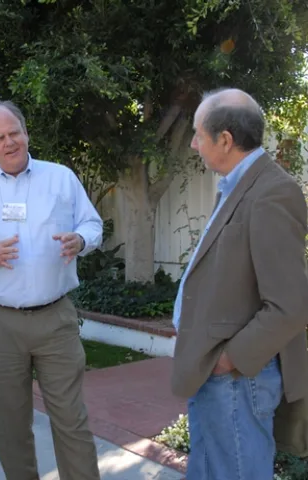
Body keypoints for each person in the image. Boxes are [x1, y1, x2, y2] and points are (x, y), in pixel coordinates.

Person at [0, 100, 102, 480]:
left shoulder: (61, 178)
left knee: (71, 421)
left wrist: (82, 239)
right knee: (10, 426)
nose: (9, 142)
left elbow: (93, 224)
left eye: (15, 133)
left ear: (26, 133)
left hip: (55, 319)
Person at [171, 87, 308, 479]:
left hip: (236, 381)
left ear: (225, 140)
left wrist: (228, 361)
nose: (195, 144)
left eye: (198, 134)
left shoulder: (271, 193)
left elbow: (290, 305)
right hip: (219, 376)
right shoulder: (238, 186)